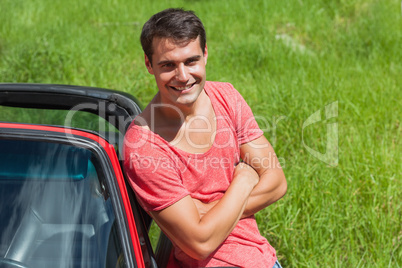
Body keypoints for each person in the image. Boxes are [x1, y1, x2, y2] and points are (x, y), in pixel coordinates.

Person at [123, 8, 287, 268]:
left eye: (191, 61)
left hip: (263, 259)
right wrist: (243, 180)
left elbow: (277, 182)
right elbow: (199, 244)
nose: (183, 76)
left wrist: (207, 212)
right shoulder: (144, 145)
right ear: (148, 64)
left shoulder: (226, 96)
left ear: (206, 54)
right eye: (168, 65)